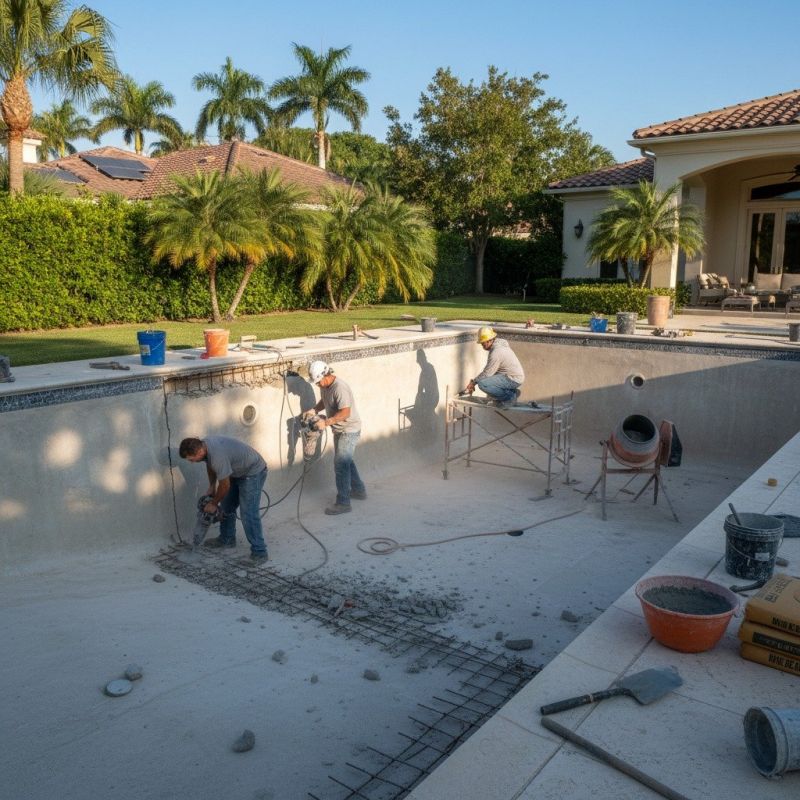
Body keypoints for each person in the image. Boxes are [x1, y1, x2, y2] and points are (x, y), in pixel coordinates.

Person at [179, 436, 268, 562]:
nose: (192, 462)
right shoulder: (204, 446)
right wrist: (211, 486)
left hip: (252, 472)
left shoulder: (217, 456)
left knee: (248, 513)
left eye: (192, 459)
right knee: (226, 506)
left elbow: (225, 485)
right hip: (236, 471)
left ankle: (260, 552)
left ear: (199, 452)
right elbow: (210, 465)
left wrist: (213, 503)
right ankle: (227, 539)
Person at [305, 360, 367, 515]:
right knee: (346, 461)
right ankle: (359, 490)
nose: (317, 385)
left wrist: (325, 423)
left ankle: (343, 503)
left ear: (326, 374)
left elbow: (345, 412)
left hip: (349, 430)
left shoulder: (340, 388)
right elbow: (324, 401)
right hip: (339, 429)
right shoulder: (324, 386)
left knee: (340, 464)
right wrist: (314, 410)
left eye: (318, 382)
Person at [462, 327, 525, 407]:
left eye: (483, 343)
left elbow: (487, 373)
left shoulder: (496, 352)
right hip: (513, 377)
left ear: (489, 341)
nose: (482, 345)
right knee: (488, 381)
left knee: (483, 384)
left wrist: (473, 382)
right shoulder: (499, 345)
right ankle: (512, 392)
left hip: (513, 379)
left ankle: (510, 397)